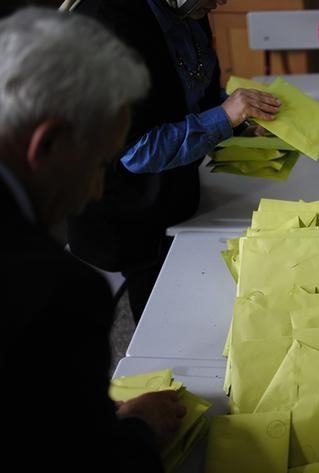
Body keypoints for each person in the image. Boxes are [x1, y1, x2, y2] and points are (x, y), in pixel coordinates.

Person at [0, 7, 186, 471]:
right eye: (100, 162)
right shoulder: (56, 292)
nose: (98, 189)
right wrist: (136, 428)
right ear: (49, 145)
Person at [67, 0, 281, 323]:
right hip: (126, 212)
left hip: (176, 191)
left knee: (203, 292)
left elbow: (193, 90)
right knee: (162, 317)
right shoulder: (109, 27)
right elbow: (137, 151)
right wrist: (225, 117)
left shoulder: (188, 8)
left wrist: (239, 115)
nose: (221, 3)